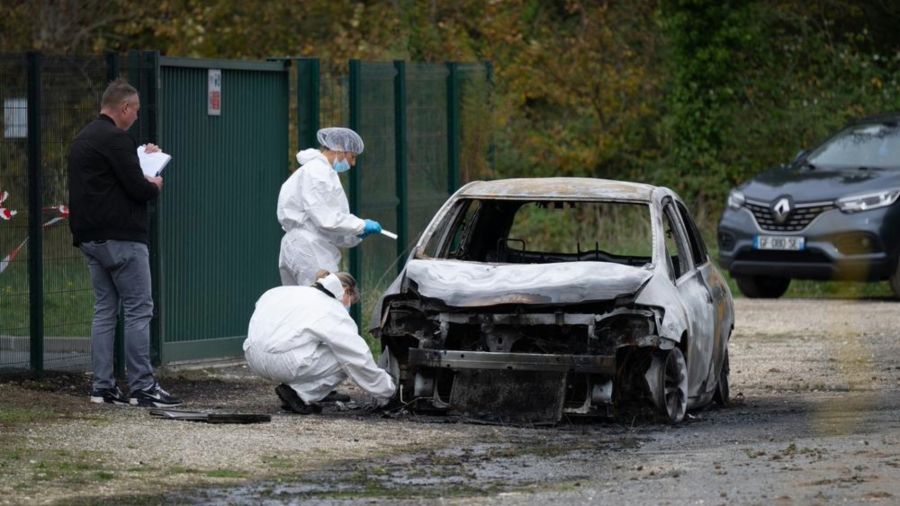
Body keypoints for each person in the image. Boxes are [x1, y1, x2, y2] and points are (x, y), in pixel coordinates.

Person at [68, 78, 181, 408]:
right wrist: (154, 183)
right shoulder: (116, 139)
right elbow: (138, 188)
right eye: (135, 110)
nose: (136, 116)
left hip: (90, 238)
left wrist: (141, 156)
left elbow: (110, 179)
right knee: (138, 310)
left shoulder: (83, 139)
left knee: (105, 311)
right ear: (124, 107)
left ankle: (102, 387)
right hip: (122, 238)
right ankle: (143, 386)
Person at [243, 270, 396, 414]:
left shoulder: (279, 292)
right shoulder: (332, 308)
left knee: (320, 345)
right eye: (350, 301)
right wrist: (388, 391)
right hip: (283, 362)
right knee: (345, 358)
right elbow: (357, 356)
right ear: (346, 290)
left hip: (252, 357)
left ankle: (294, 392)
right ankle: (301, 393)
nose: (348, 306)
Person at [277, 127, 383, 286]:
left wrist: (356, 235)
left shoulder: (316, 171)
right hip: (310, 249)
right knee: (322, 298)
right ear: (339, 149)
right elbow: (326, 219)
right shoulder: (318, 173)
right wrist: (361, 225)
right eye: (352, 157)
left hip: (300, 247)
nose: (353, 163)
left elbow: (327, 228)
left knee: (298, 299)